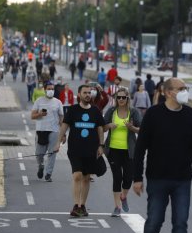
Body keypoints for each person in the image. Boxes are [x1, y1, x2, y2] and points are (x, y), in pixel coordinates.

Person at [133, 78, 192, 233]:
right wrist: (137, 178)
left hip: (182, 179)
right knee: (154, 221)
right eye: (180, 88)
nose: (184, 91)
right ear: (167, 92)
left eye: (185, 88)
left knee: (181, 223)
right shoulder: (153, 114)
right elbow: (140, 149)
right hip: (157, 178)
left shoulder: (189, 114)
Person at [57, 84, 106, 217]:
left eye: (89, 93)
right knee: (77, 176)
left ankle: (82, 205)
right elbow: (64, 126)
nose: (88, 95)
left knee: (86, 178)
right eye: (85, 92)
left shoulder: (95, 111)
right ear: (79, 95)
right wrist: (58, 142)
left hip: (91, 150)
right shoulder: (73, 110)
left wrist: (101, 145)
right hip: (75, 149)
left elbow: (100, 129)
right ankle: (76, 205)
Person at [103, 88, 142, 217]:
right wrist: (109, 126)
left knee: (128, 178)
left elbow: (142, 130)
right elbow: (102, 128)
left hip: (130, 151)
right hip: (113, 150)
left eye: (123, 98)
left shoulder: (134, 112)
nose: (120, 100)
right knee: (117, 177)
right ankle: (117, 207)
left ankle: (123, 196)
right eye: (118, 97)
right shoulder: (111, 111)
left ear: (127, 99)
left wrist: (132, 128)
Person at [31, 81, 64, 182]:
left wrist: (63, 134)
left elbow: (61, 118)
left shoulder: (58, 102)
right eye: (49, 89)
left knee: (52, 153)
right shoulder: (39, 101)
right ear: (45, 90)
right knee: (38, 153)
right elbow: (32, 116)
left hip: (54, 131)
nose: (51, 91)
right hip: (41, 130)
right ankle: (41, 166)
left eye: (52, 89)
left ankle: (48, 173)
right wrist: (40, 114)